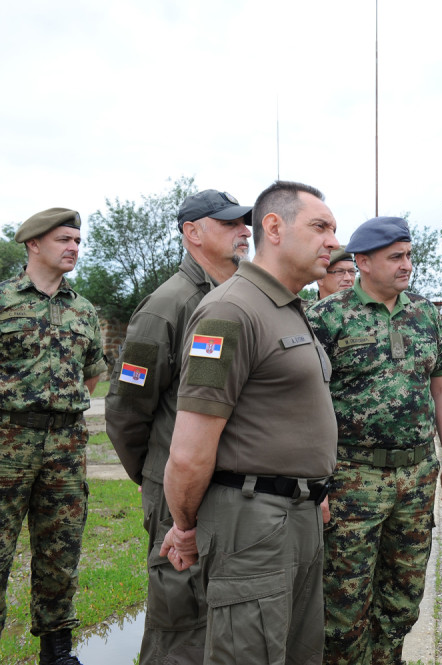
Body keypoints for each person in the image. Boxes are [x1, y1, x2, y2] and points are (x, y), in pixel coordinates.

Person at [160, 181, 340, 664]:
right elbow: (190, 448)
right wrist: (183, 525)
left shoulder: (285, 306)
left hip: (298, 514)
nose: (333, 242)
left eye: (334, 230)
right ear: (274, 228)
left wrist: (311, 490)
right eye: (320, 227)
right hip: (253, 521)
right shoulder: (230, 310)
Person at [307, 216, 442, 665]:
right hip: (350, 480)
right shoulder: (326, 318)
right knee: (343, 608)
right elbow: (304, 403)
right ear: (363, 262)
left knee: (401, 603)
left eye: (409, 255)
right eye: (395, 257)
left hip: (416, 478)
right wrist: (316, 480)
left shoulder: (425, 314)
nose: (407, 265)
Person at [105, 189, 252, 665]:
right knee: (179, 619)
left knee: (224, 616)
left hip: (228, 487)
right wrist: (155, 474)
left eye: (244, 223)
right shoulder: (167, 305)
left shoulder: (238, 297)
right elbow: (128, 408)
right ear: (192, 233)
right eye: (230, 223)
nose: (244, 231)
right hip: (177, 487)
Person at [0, 208, 108, 665]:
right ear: (33, 245)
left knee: (61, 551)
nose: (73, 248)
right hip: (7, 443)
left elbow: (92, 375)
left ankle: (57, 650)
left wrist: (57, 411)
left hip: (65, 447)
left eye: (78, 241)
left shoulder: (83, 309)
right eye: (65, 239)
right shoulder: (4, 301)